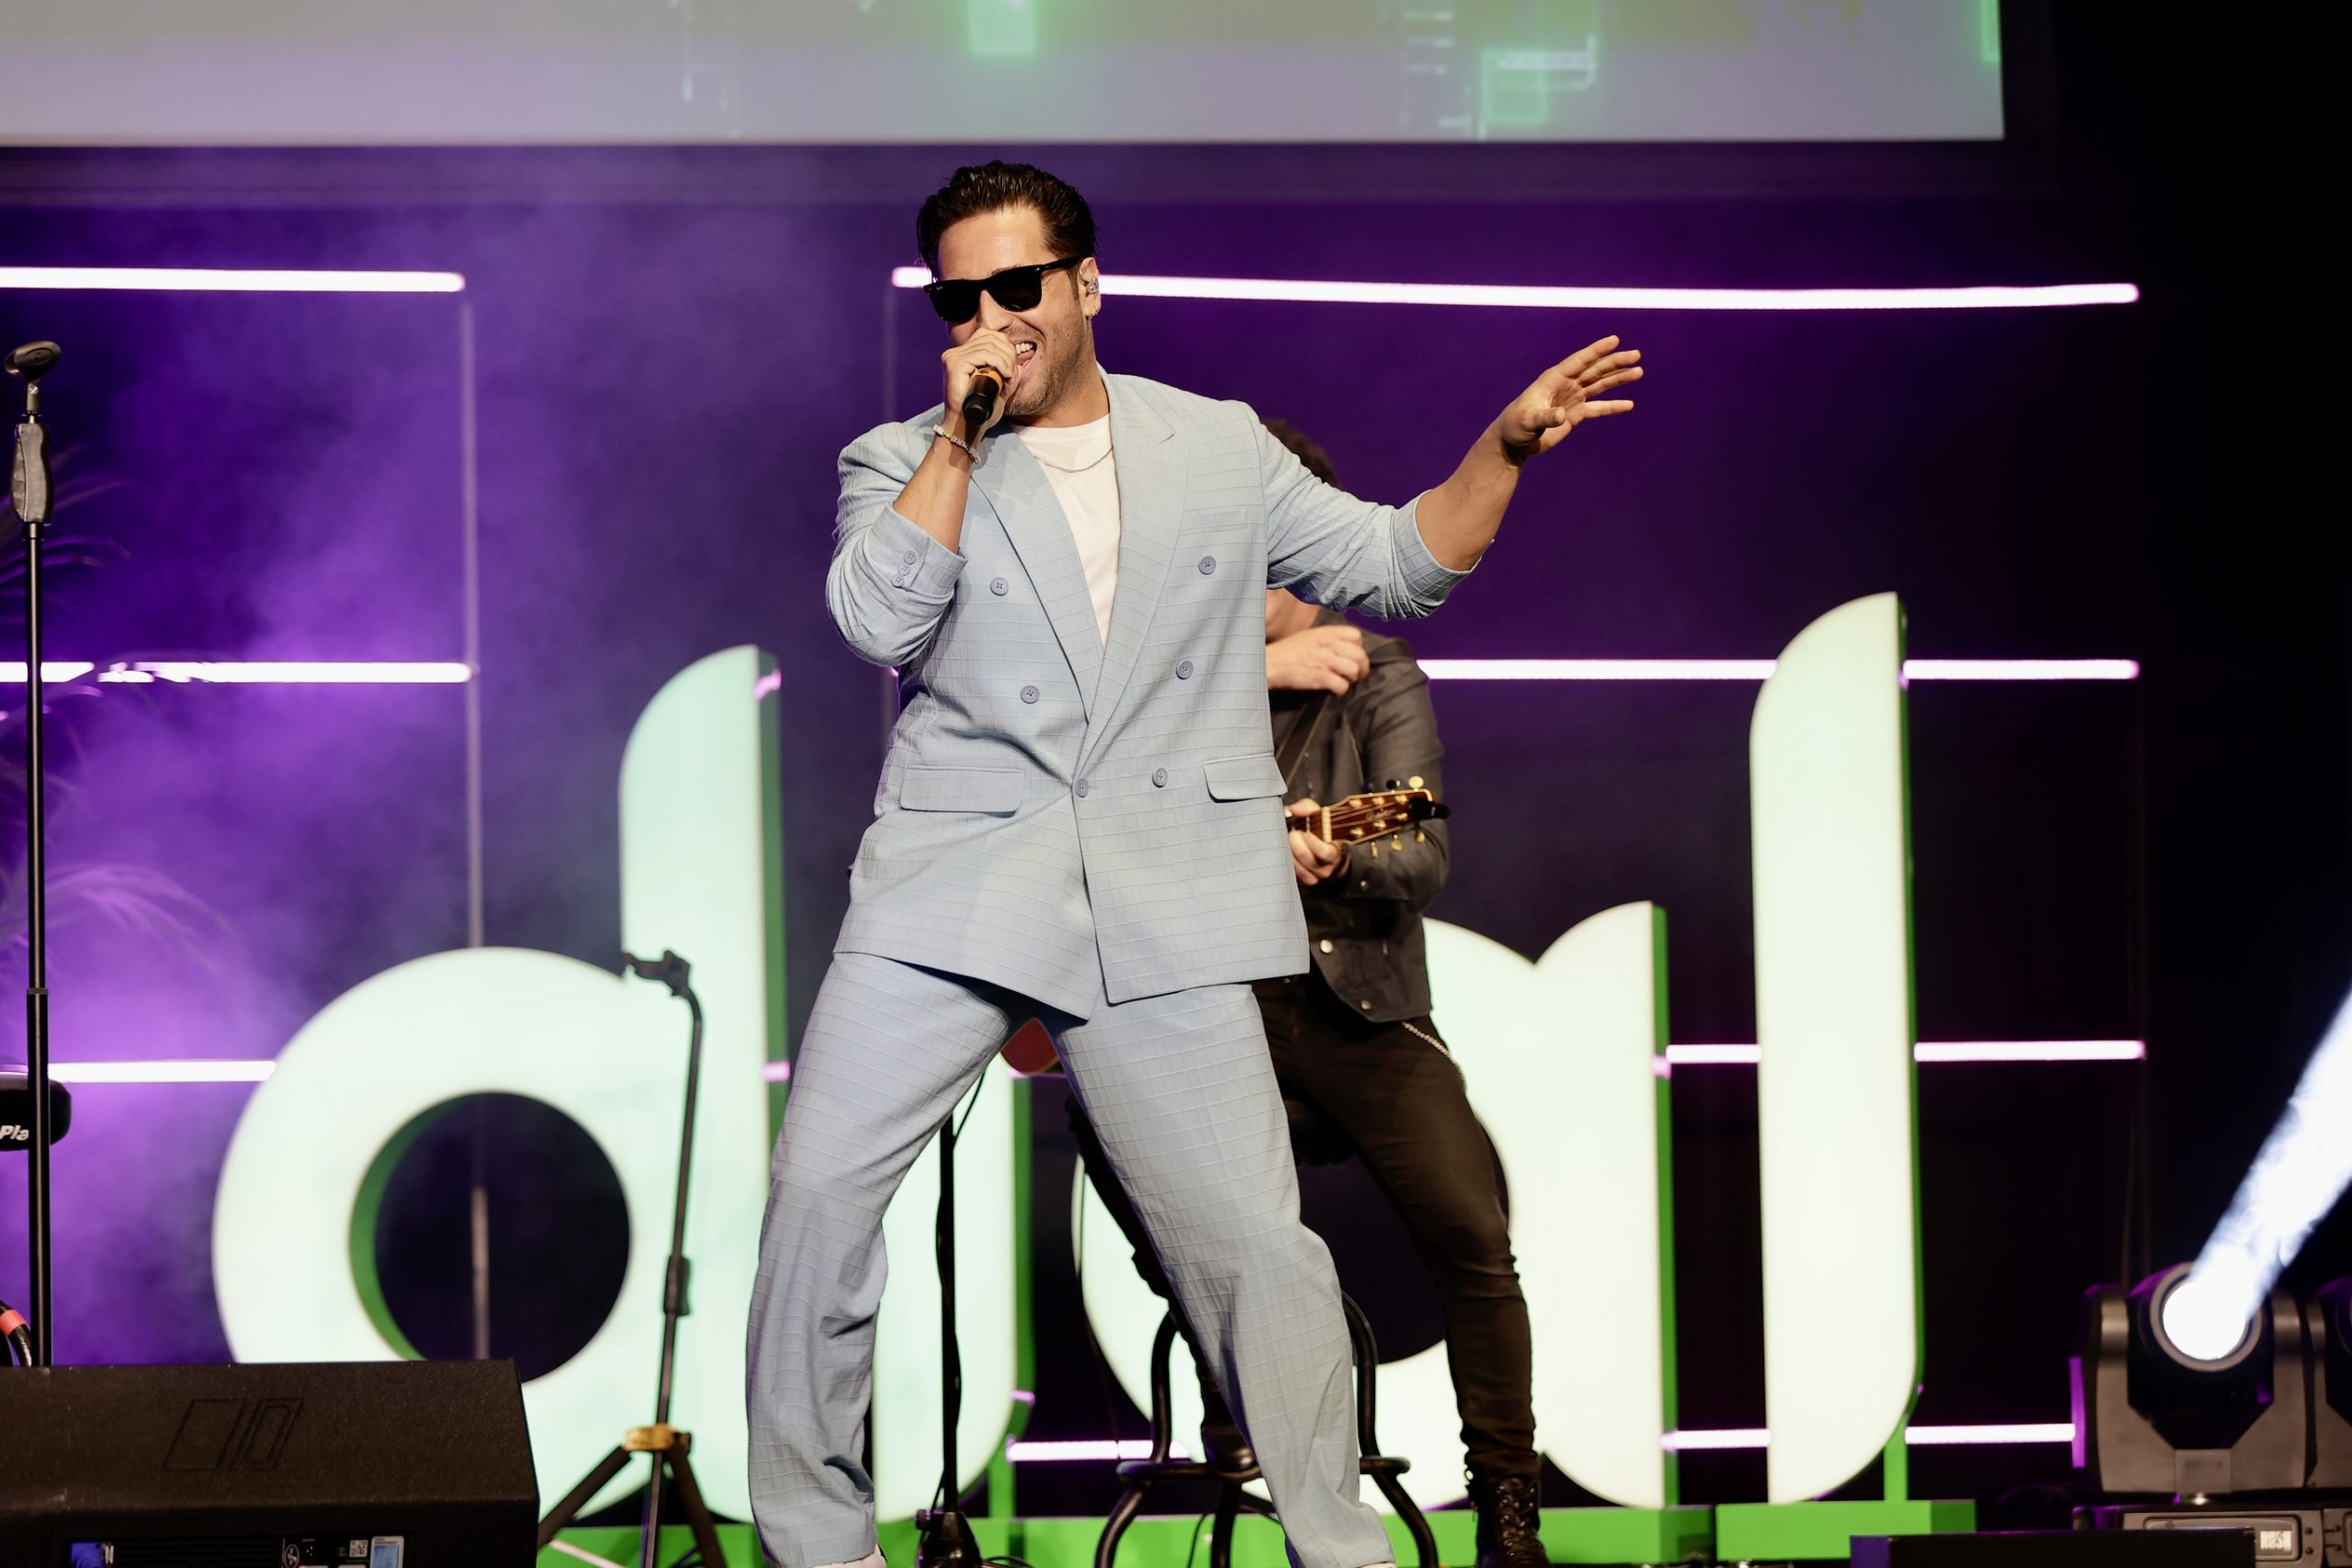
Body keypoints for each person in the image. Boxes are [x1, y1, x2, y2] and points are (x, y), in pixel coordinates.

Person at [746, 159, 1642, 1568]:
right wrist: (961, 437)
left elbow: (1397, 564)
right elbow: (878, 619)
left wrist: (1502, 450)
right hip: (956, 880)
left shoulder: (1216, 446)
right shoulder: (901, 456)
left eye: (1018, 286)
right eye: (959, 299)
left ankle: (1337, 1543)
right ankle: (818, 1547)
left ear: (1085, 284)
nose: (992, 318)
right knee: (816, 1197)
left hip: (1162, 886)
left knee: (1254, 1246)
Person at [1069, 418, 1553, 1568]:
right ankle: (1243, 1392)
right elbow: (1097, 801)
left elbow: (1420, 853)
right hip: (1217, 1014)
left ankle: (1506, 1498)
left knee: (1472, 1231)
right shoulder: (1163, 682)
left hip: (1357, 1008)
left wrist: (1339, 859)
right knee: (1118, 1138)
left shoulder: (1377, 675)